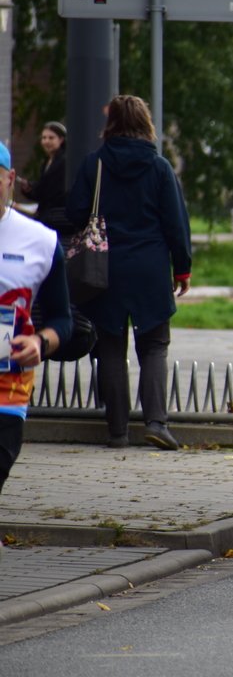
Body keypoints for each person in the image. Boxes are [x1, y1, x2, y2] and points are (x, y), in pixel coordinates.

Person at [66, 95, 191, 451]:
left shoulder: (95, 165)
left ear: (112, 124)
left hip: (105, 268)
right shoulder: (159, 167)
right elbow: (175, 222)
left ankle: (117, 432)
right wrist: (182, 268)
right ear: (145, 122)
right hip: (150, 266)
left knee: (110, 346)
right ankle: (156, 423)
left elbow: (76, 211)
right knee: (153, 345)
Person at [0, 142, 72, 562]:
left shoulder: (41, 240)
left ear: (10, 180)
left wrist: (40, 342)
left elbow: (64, 319)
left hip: (9, 383)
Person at [16, 122, 72, 236]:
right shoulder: (47, 162)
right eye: (44, 138)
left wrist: (32, 188)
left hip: (56, 217)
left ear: (61, 140)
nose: (46, 141)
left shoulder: (62, 162)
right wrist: (29, 188)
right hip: (49, 215)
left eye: (51, 138)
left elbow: (48, 190)